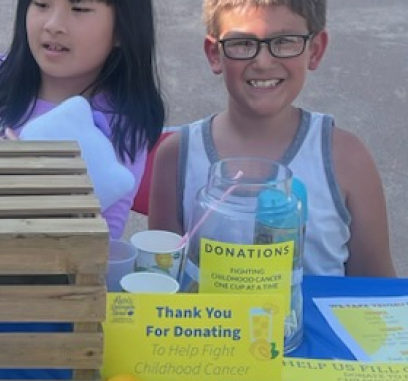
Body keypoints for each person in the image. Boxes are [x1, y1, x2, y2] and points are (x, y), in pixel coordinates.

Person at [147, 0, 395, 277]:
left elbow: (378, 289)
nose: (263, 63)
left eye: (285, 41)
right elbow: (162, 282)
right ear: (214, 54)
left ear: (315, 50)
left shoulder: (346, 158)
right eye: (242, 43)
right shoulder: (176, 157)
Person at [0, 0, 166, 240]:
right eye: (41, 4)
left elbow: (102, 242)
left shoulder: (122, 121)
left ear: (123, 30)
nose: (53, 25)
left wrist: (28, 187)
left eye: (79, 9)